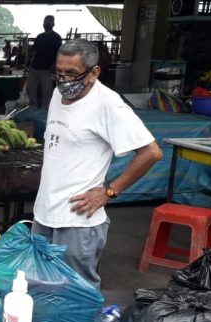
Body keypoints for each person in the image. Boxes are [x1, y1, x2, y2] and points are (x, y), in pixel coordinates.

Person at [32, 39, 162, 289]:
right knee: (41, 287)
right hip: (45, 214)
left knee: (77, 293)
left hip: (78, 222)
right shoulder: (59, 93)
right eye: (59, 73)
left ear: (94, 73)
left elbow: (151, 152)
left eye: (71, 73)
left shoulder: (108, 104)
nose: (64, 80)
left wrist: (110, 191)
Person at [27, 16, 63, 109]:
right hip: (34, 68)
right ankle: (32, 109)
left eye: (49, 22)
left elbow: (59, 54)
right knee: (31, 91)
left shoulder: (57, 37)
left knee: (47, 93)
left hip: (47, 70)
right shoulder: (39, 37)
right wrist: (31, 65)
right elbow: (34, 52)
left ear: (53, 24)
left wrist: (53, 67)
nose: (47, 24)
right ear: (43, 24)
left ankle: (45, 112)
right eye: (45, 22)